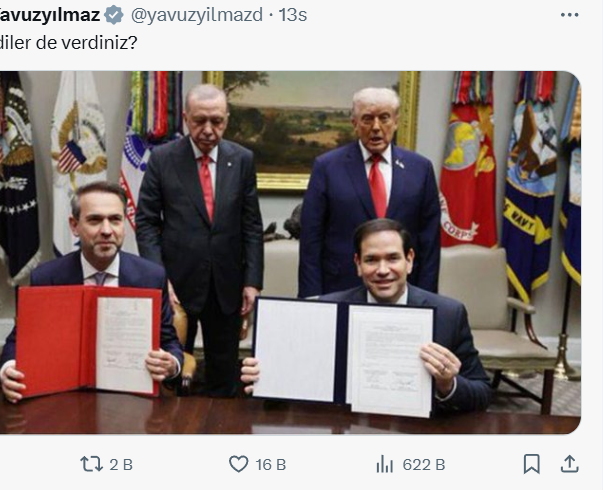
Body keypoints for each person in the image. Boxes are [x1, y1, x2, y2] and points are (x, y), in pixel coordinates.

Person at [244, 218, 492, 413]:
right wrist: (267, 378)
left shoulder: (449, 314)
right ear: (358, 264)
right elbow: (289, 393)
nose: (383, 270)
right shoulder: (324, 312)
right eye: (371, 260)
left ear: (409, 260)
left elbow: (482, 393)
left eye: (393, 258)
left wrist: (447, 384)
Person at [0, 181, 183, 403]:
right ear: (74, 225)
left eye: (115, 219)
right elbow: (18, 340)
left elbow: (169, 341)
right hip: (64, 396)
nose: (106, 230)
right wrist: (8, 370)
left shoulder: (151, 277)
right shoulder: (46, 278)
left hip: (130, 398)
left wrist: (172, 364)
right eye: (95, 220)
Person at [136, 84, 264, 397]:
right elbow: (147, 222)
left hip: (226, 284)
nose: (208, 130)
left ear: (227, 119)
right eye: (199, 121)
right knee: (174, 376)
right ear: (185, 118)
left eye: (216, 121)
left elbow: (251, 225)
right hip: (176, 285)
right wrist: (159, 278)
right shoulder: (163, 159)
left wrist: (252, 281)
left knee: (225, 379)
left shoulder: (242, 159)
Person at [298, 87, 440, 298]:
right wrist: (311, 299)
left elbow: (430, 243)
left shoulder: (420, 169)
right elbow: (311, 240)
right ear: (354, 123)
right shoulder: (327, 167)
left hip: (403, 293)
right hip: (340, 289)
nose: (376, 127)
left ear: (396, 122)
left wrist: (427, 300)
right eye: (367, 119)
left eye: (384, 118)